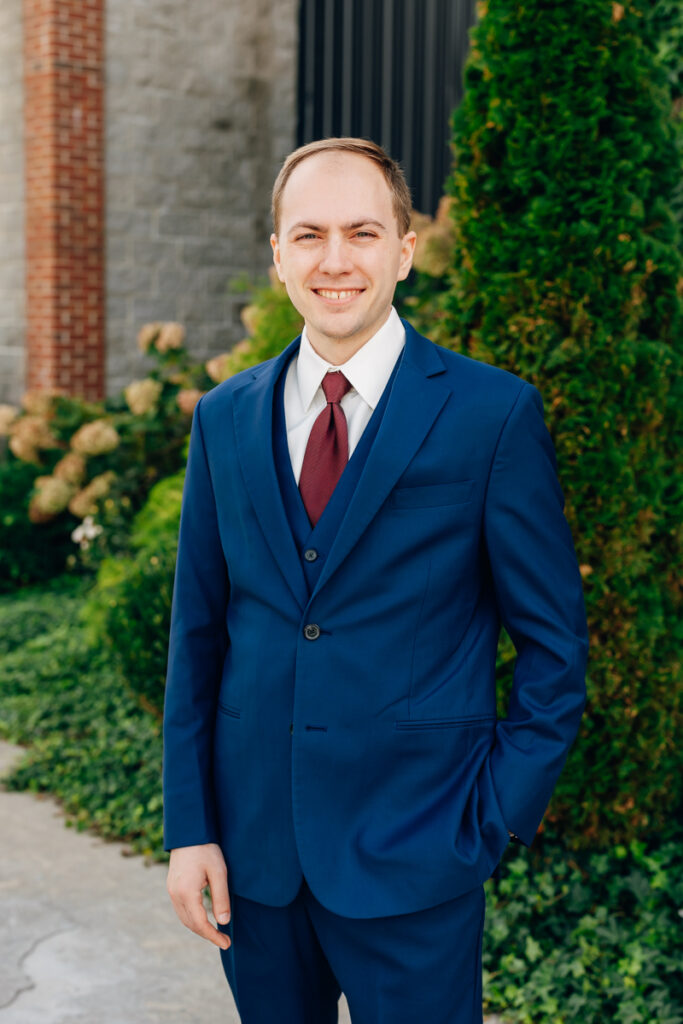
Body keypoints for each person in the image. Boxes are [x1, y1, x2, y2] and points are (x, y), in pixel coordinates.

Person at [163, 137, 588, 1024]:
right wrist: (190, 827)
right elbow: (197, 638)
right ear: (277, 255)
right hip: (255, 860)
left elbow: (552, 646)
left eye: (361, 232)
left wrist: (498, 816)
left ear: (404, 248)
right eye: (308, 234)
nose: (334, 260)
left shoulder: (490, 413)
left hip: (421, 849)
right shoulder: (225, 419)